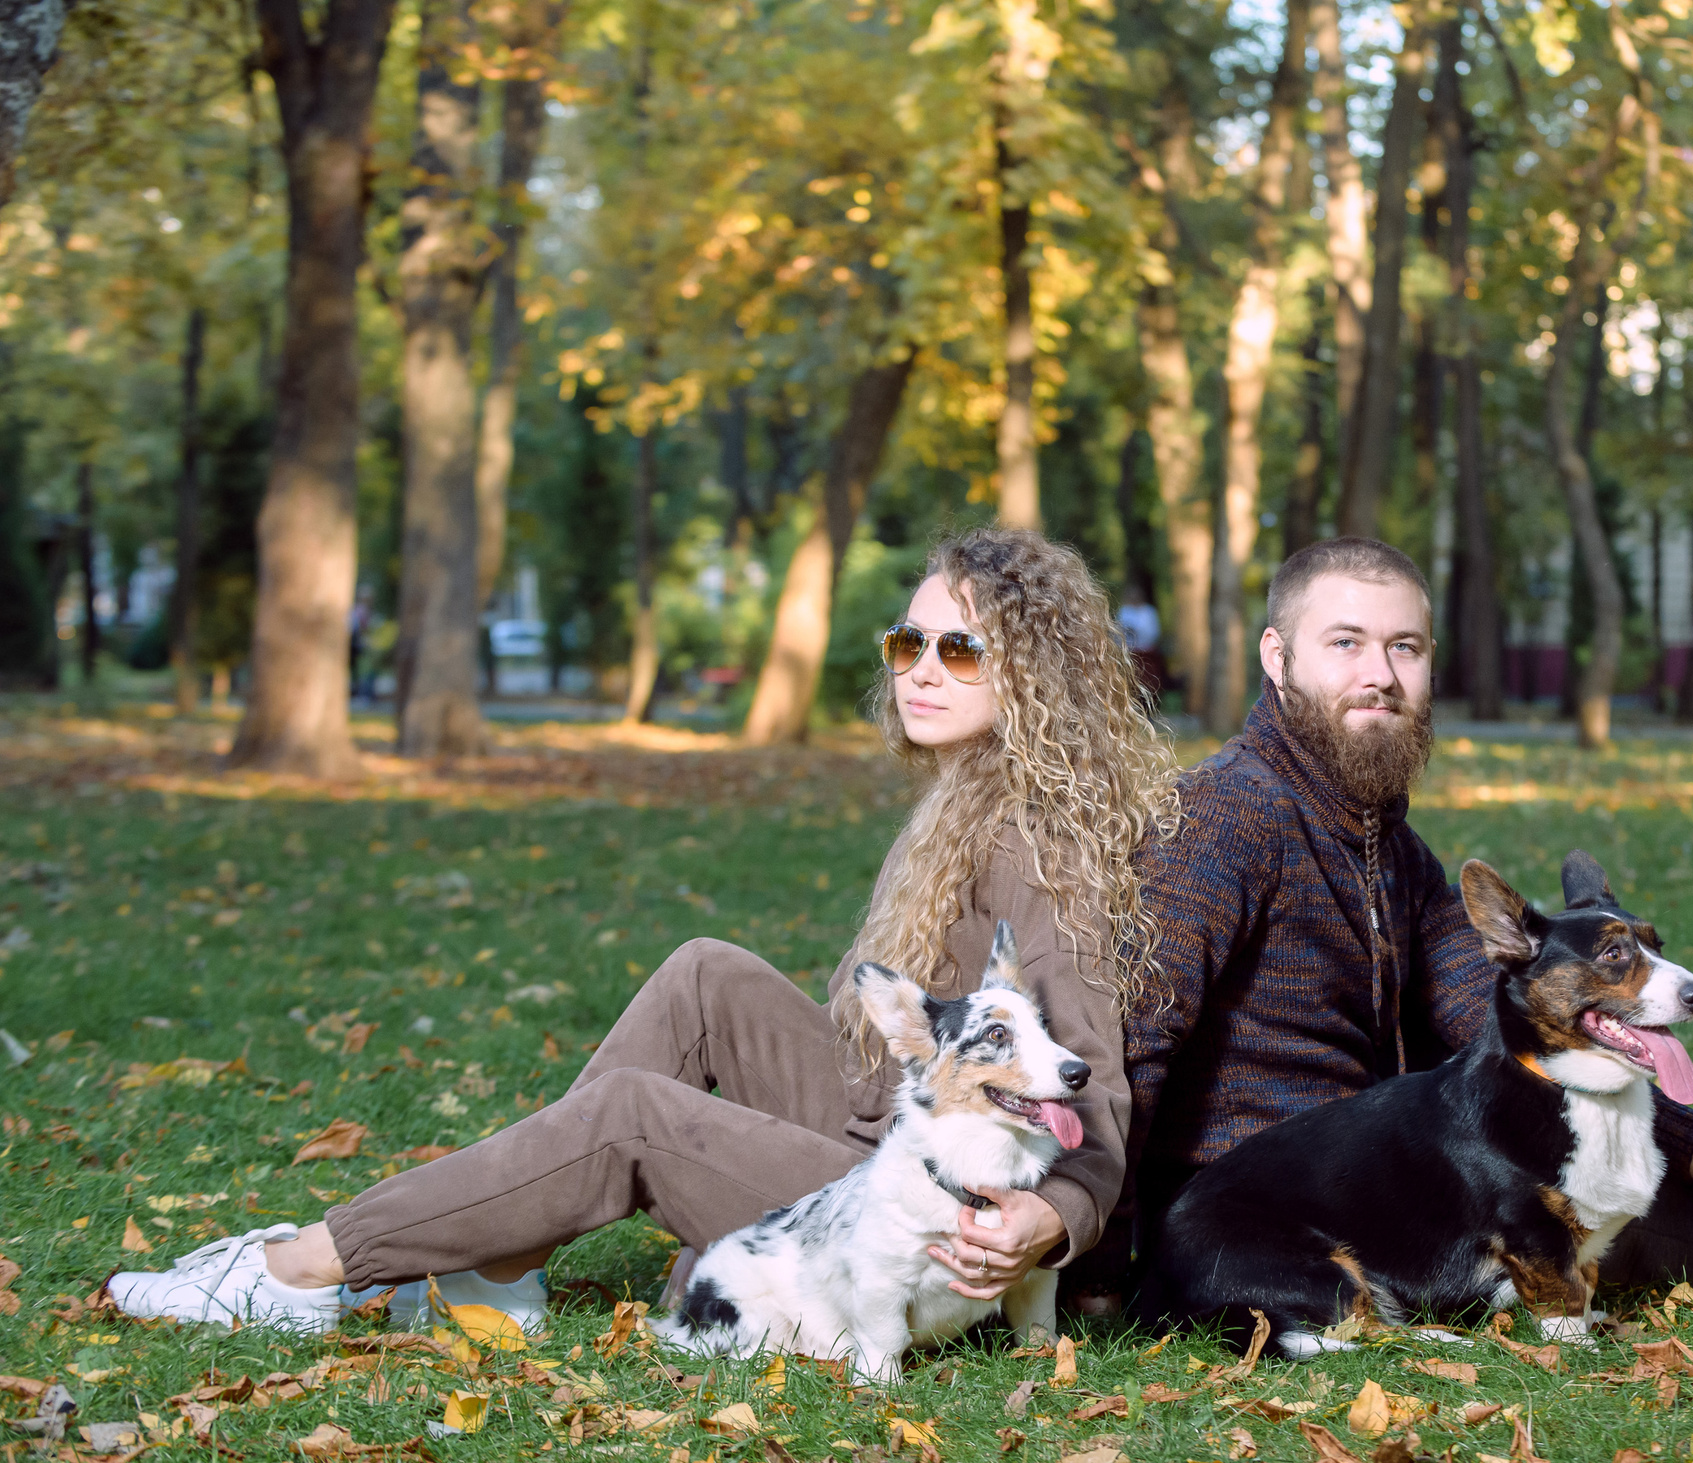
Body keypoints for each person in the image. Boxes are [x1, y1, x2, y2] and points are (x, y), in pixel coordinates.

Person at [111, 530, 1177, 1333]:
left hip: (911, 1212)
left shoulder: (1038, 842)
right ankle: (502, 1260)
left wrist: (1050, 1222)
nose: (923, 669)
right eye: (909, 642)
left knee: (632, 1115)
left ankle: (305, 1269)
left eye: (962, 650)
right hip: (878, 1127)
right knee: (706, 974)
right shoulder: (967, 797)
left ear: (1034, 677)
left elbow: (1089, 1075)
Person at [1063, 537, 1693, 1313]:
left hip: (1413, 1190)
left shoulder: (1396, 851)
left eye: (1406, 647)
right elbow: (1134, 1046)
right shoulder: (1222, 817)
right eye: (1346, 643)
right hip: (1264, 1226)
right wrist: (1099, 1272)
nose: (1381, 675)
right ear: (1277, 656)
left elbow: (1512, 1023)